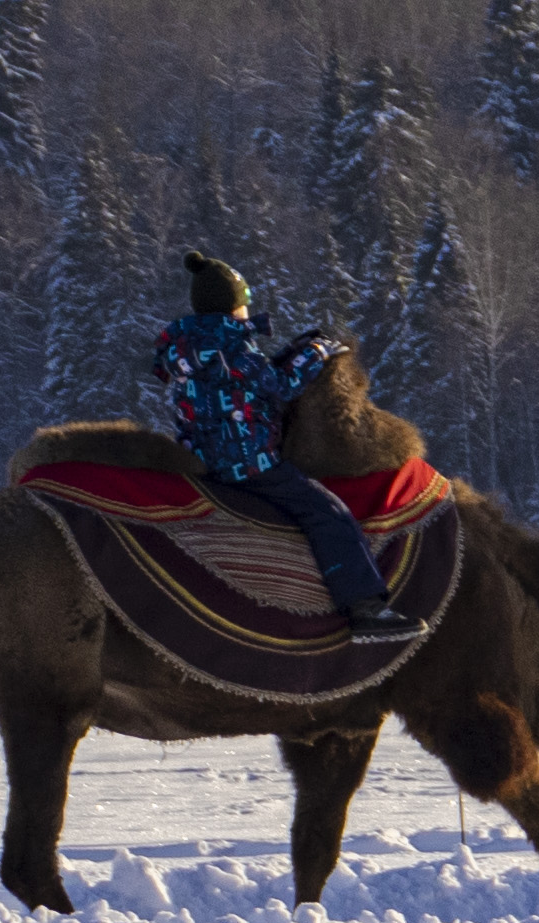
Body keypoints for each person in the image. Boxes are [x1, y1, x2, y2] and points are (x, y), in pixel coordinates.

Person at [150, 253, 422, 641]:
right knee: (329, 513)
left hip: (201, 463)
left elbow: (243, 382)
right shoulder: (233, 346)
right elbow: (282, 386)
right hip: (249, 466)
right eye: (244, 303)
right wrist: (318, 353)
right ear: (233, 306)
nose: (247, 310)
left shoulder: (184, 351)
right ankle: (365, 607)